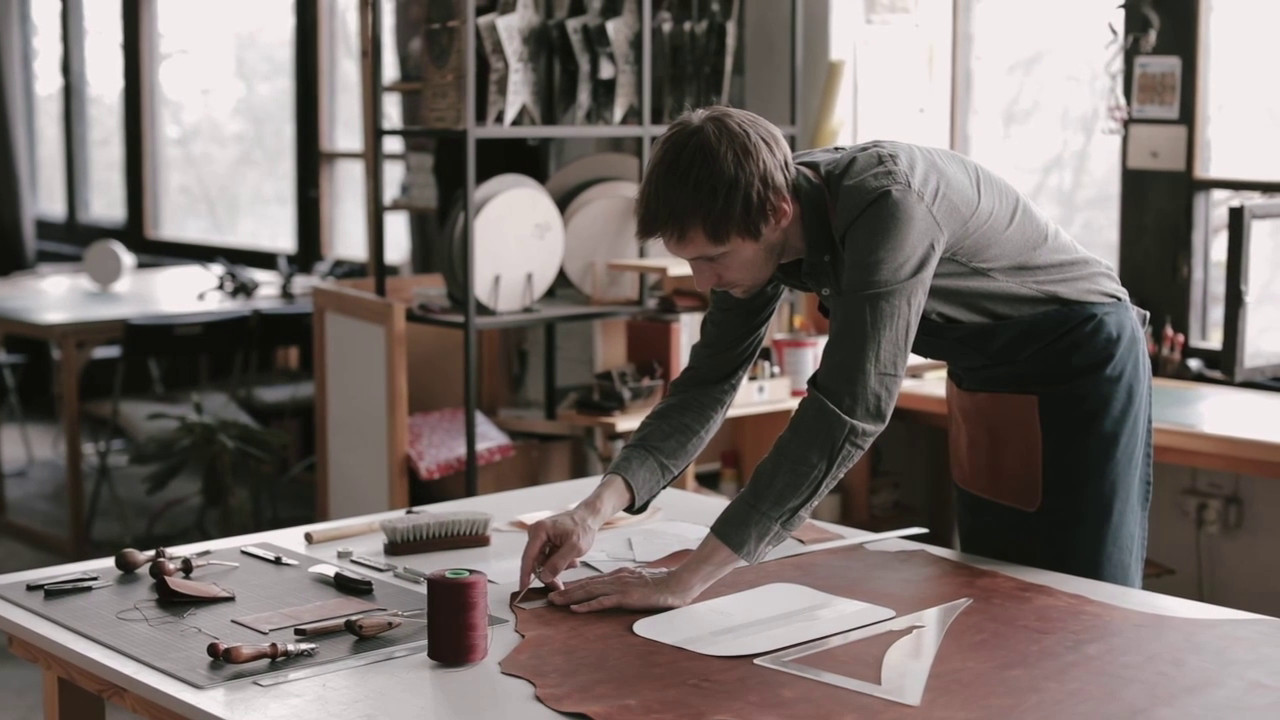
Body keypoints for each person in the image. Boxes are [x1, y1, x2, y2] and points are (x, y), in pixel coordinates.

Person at [519, 106, 1153, 612]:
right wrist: (591, 512)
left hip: (1081, 363)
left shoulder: (889, 207)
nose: (704, 280)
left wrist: (684, 581)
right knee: (997, 592)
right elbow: (707, 383)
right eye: (690, 260)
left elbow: (848, 409)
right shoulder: (755, 216)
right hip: (988, 372)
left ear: (777, 213)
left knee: (1082, 605)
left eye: (713, 258)